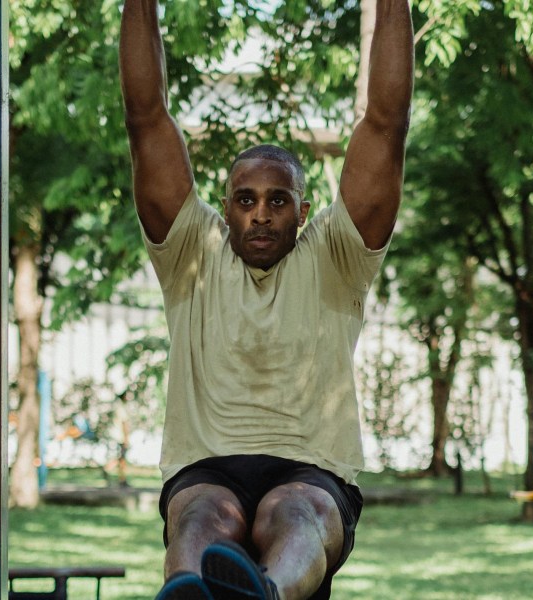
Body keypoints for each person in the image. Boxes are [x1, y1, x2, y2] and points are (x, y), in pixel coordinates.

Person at [119, 1, 413, 599]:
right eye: (245, 198)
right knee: (202, 517)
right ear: (224, 206)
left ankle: (265, 596)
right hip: (207, 466)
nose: (260, 212)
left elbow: (386, 121)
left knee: (295, 514)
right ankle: (190, 594)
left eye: (278, 200)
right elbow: (145, 117)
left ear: (304, 212)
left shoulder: (336, 254)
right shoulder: (190, 251)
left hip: (310, 471)